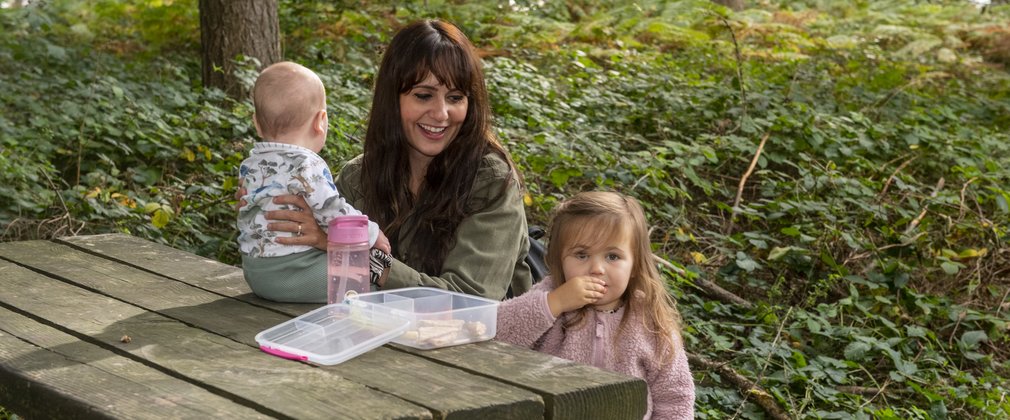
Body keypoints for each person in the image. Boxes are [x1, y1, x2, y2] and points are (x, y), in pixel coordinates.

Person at [247, 20, 532, 300]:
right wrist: (265, 196)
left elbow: (468, 300)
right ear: (391, 99)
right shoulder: (359, 177)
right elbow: (309, 241)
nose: (442, 113)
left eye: (456, 98)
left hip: (486, 346)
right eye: (423, 95)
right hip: (381, 341)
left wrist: (358, 254)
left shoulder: (491, 181)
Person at [495, 191, 694, 419]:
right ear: (559, 260)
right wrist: (555, 303)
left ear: (636, 265)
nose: (597, 268)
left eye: (612, 257)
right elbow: (496, 332)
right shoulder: (549, 297)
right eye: (581, 255)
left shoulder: (651, 322)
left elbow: (676, 397)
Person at [237, 61, 389, 303]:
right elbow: (331, 211)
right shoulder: (307, 164)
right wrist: (372, 233)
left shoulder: (250, 164)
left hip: (254, 271)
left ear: (256, 122)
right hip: (293, 272)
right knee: (362, 278)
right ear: (321, 121)